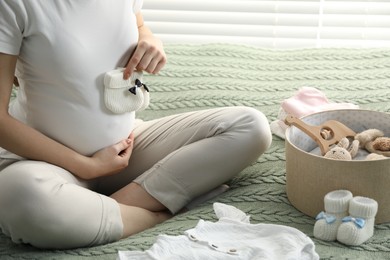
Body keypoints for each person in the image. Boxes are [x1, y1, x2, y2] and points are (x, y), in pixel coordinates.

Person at [0, 0, 272, 249]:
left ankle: (101, 212)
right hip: (45, 165)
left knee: (251, 127)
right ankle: (157, 213)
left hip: (125, 149)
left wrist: (150, 40)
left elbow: (138, 25)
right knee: (21, 198)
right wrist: (86, 165)